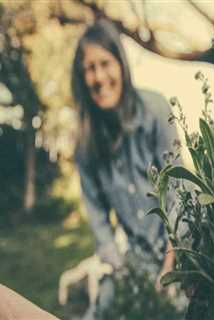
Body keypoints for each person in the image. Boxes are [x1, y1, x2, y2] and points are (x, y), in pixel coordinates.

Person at [71, 20, 180, 319]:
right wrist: (122, 271)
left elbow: (179, 193)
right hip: (134, 260)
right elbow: (98, 222)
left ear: (121, 64)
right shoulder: (84, 143)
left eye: (105, 63)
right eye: (89, 69)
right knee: (101, 311)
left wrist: (170, 266)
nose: (98, 77)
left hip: (181, 250)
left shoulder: (156, 111)